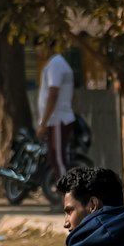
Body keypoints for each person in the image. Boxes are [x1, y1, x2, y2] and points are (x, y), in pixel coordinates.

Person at [36, 43, 76, 177]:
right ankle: (65, 194)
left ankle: (67, 195)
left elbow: (53, 94)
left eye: (39, 46)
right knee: (54, 158)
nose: (38, 51)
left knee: (58, 160)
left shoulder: (55, 64)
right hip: (57, 118)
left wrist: (43, 124)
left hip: (58, 118)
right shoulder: (56, 63)